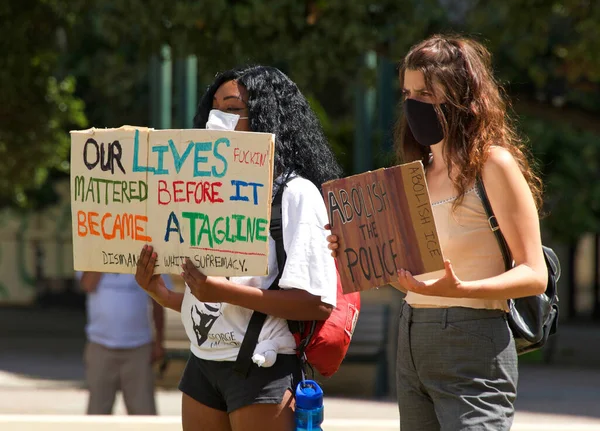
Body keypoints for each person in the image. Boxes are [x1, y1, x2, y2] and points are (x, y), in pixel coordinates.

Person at [327, 34, 548, 431]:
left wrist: (460, 289)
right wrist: (355, 250)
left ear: (462, 96)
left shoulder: (493, 165)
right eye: (408, 93)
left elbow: (535, 274)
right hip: (412, 334)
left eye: (426, 94)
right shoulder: (418, 174)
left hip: (474, 336)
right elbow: (416, 281)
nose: (413, 104)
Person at [135, 65, 341, 431]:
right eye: (213, 107)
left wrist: (219, 290)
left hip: (262, 369)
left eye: (231, 109)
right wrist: (163, 293)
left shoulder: (295, 195)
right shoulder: (204, 196)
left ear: (265, 117)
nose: (217, 119)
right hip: (202, 366)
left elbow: (316, 303)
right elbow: (213, 301)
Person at [77, 271, 170, 415]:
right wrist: (102, 252)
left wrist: (159, 341)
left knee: (144, 413)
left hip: (138, 347)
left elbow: (159, 300)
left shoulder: (146, 252)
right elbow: (88, 285)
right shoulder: (92, 251)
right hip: (100, 345)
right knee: (97, 413)